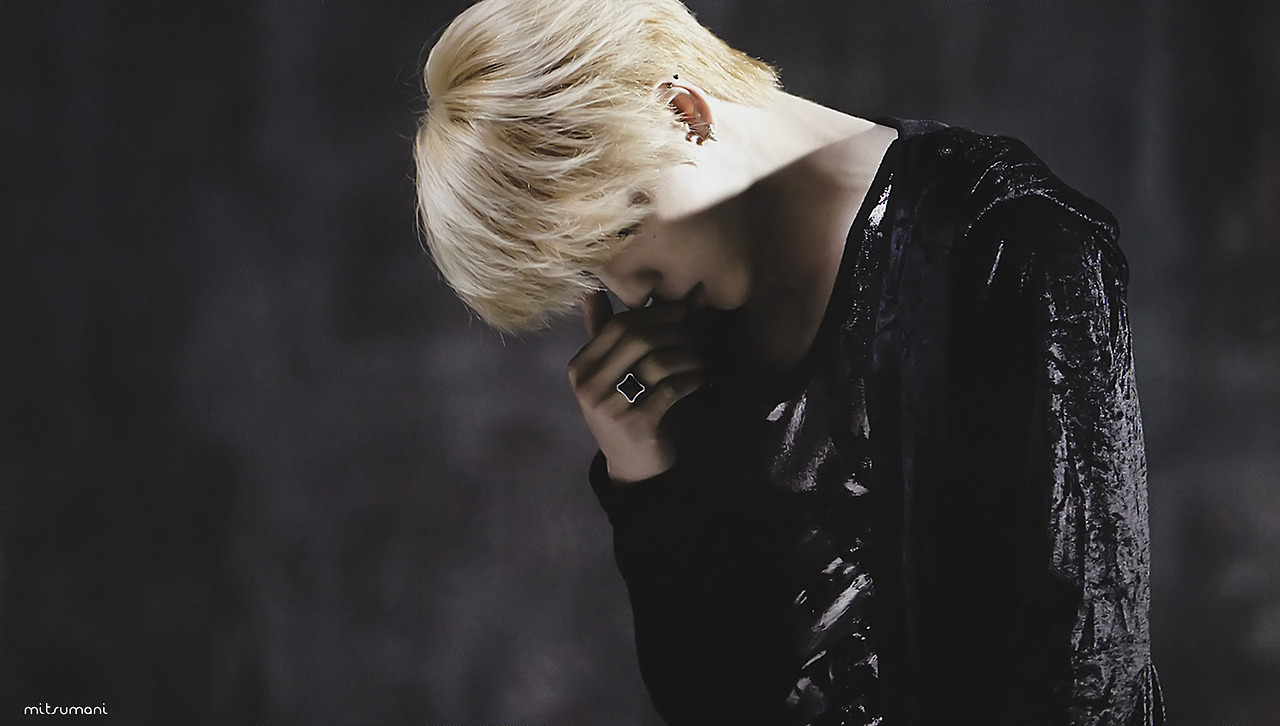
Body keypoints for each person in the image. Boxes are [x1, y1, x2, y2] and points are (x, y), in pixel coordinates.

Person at [414, 0, 1164, 723]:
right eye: (587, 271)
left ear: (682, 113)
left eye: (615, 235)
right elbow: (707, 702)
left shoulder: (1008, 243)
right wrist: (643, 475)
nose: (628, 291)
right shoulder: (679, 350)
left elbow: (1087, 674)